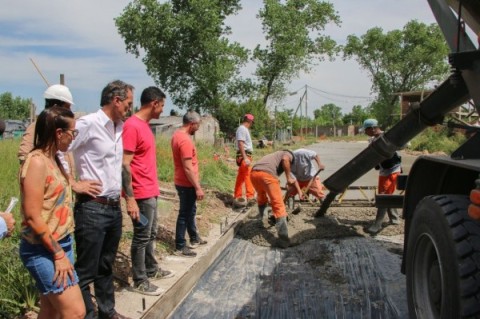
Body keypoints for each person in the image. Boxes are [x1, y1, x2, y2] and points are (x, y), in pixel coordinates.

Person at [69, 80, 134, 319]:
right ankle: (88, 315)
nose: (130, 108)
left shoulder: (119, 127)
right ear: (115, 100)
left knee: (106, 265)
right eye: (128, 103)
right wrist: (74, 183)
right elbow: (57, 149)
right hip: (93, 209)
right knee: (86, 271)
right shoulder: (88, 124)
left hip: (113, 208)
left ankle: (107, 312)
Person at [19, 106, 85, 318]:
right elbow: (32, 216)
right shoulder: (37, 162)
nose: (73, 138)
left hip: (61, 243)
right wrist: (58, 254)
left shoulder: (55, 159)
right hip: (43, 249)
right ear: (59, 133)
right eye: (72, 133)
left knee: (50, 309)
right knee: (75, 312)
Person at [122, 87, 173, 296]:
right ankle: (140, 279)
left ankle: (151, 269)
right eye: (162, 106)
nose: (162, 111)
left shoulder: (144, 126)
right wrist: (130, 198)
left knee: (151, 233)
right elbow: (125, 164)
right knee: (141, 237)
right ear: (154, 103)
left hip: (150, 191)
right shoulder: (132, 126)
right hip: (140, 194)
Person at [171, 110, 207, 258]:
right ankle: (180, 246)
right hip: (186, 183)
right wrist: (197, 187)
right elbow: (187, 167)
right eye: (197, 125)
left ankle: (194, 237)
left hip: (182, 181)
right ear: (192, 124)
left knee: (190, 211)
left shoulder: (176, 135)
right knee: (184, 214)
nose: (198, 128)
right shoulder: (185, 140)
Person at [250, 150, 297, 248]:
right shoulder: (288, 154)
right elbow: (285, 159)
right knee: (278, 205)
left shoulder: (273, 155)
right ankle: (284, 240)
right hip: (267, 175)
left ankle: (263, 221)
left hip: (254, 174)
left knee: (261, 196)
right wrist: (288, 178)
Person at [363, 118, 401, 235]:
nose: (365, 133)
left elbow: (402, 145)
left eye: (366, 130)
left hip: (392, 170)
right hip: (384, 171)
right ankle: (395, 219)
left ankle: (377, 225)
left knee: (384, 195)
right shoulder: (373, 139)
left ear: (373, 128)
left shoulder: (387, 137)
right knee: (386, 193)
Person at [233, 114, 255, 207]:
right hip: (244, 156)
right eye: (252, 122)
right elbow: (241, 143)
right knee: (248, 175)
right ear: (250, 121)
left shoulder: (243, 129)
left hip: (243, 156)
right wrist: (245, 158)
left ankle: (237, 197)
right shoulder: (242, 129)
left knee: (241, 177)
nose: (251, 124)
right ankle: (250, 197)